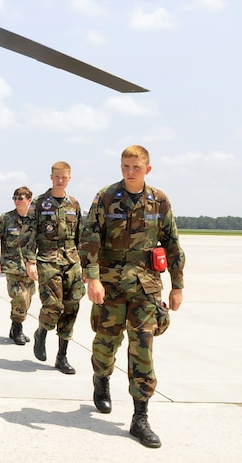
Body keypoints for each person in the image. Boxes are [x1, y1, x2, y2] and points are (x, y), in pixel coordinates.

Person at [79, 145, 185, 449]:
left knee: (142, 347)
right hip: (110, 285)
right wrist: (93, 278)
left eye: (135, 167)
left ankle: (140, 417)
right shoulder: (106, 197)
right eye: (125, 166)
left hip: (146, 286)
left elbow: (173, 243)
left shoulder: (159, 201)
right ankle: (101, 378)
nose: (129, 171)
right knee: (106, 341)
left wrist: (177, 285)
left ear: (147, 169)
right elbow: (89, 238)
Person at [25, 161, 84, 375]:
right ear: (51, 177)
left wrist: (85, 266)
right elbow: (28, 233)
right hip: (47, 260)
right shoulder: (40, 203)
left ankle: (62, 356)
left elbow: (81, 237)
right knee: (53, 306)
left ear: (69, 178)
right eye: (57, 176)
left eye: (64, 177)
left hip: (72, 261)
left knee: (71, 307)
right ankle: (42, 331)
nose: (60, 180)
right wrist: (30, 262)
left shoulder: (74, 204)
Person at [0, 186, 36, 345]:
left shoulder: (35, 220)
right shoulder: (6, 218)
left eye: (20, 198)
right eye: (15, 198)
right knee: (20, 298)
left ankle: (14, 326)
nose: (17, 201)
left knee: (28, 299)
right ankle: (18, 329)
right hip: (12, 266)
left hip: (30, 268)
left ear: (29, 200)